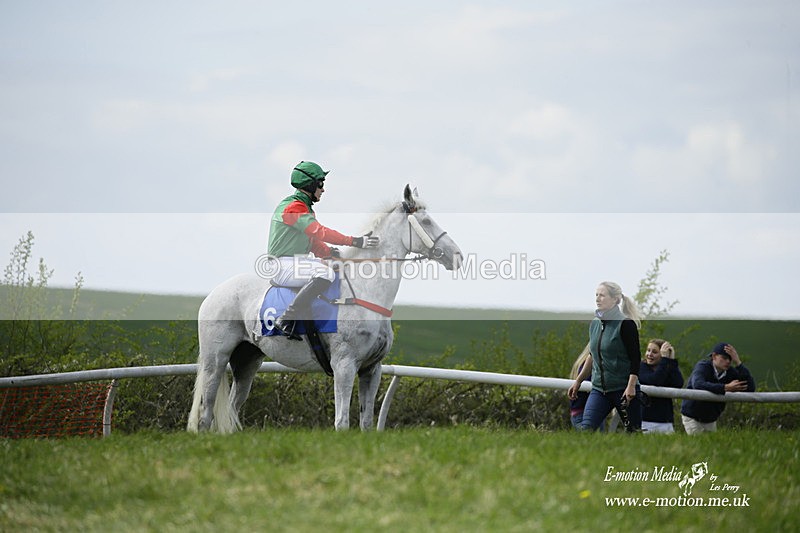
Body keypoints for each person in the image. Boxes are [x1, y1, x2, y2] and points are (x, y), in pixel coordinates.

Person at [269, 161, 379, 340]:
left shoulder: (304, 208)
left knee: (335, 267)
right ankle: (286, 319)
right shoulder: (293, 208)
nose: (323, 189)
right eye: (321, 184)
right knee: (325, 274)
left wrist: (330, 253)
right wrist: (354, 241)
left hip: (296, 261)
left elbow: (313, 242)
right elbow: (319, 231)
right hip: (282, 265)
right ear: (311, 184)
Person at [568, 281, 643, 432]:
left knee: (633, 432)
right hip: (599, 390)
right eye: (596, 295)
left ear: (615, 299)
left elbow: (636, 358)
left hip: (623, 389)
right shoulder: (595, 324)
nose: (597, 298)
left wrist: (631, 387)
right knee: (586, 431)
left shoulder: (626, 325)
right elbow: (592, 355)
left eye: (602, 295)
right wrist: (578, 381)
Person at [680, 342, 755, 434]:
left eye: (730, 359)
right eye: (724, 358)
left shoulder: (730, 372)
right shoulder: (703, 366)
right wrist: (725, 387)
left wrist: (738, 362)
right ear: (714, 356)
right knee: (699, 443)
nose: (728, 361)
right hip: (692, 415)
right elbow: (698, 384)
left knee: (710, 446)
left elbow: (750, 388)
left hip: (711, 418)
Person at [639, 339, 684, 433]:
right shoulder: (641, 367)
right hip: (645, 420)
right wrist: (665, 361)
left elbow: (678, 383)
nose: (649, 354)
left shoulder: (666, 367)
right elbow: (655, 380)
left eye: (654, 352)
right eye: (648, 350)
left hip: (665, 421)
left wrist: (671, 361)